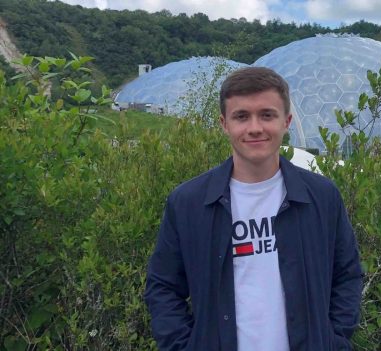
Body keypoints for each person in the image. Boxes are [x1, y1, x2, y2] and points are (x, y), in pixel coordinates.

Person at [144, 66, 363, 351]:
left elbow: (347, 275)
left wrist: (333, 340)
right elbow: (163, 287)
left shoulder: (321, 197)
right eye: (241, 116)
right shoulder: (188, 203)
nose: (255, 127)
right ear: (224, 124)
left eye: (267, 115)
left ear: (287, 121)